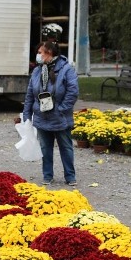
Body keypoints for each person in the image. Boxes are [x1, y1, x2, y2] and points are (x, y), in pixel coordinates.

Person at [21, 41, 79, 187]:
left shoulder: (67, 70)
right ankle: (47, 176)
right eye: (38, 52)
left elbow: (73, 92)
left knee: (65, 147)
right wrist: (26, 114)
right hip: (42, 117)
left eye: (41, 52)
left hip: (60, 117)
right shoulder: (37, 71)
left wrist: (61, 109)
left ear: (50, 53)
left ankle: (70, 176)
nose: (38, 55)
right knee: (45, 149)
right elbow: (29, 95)